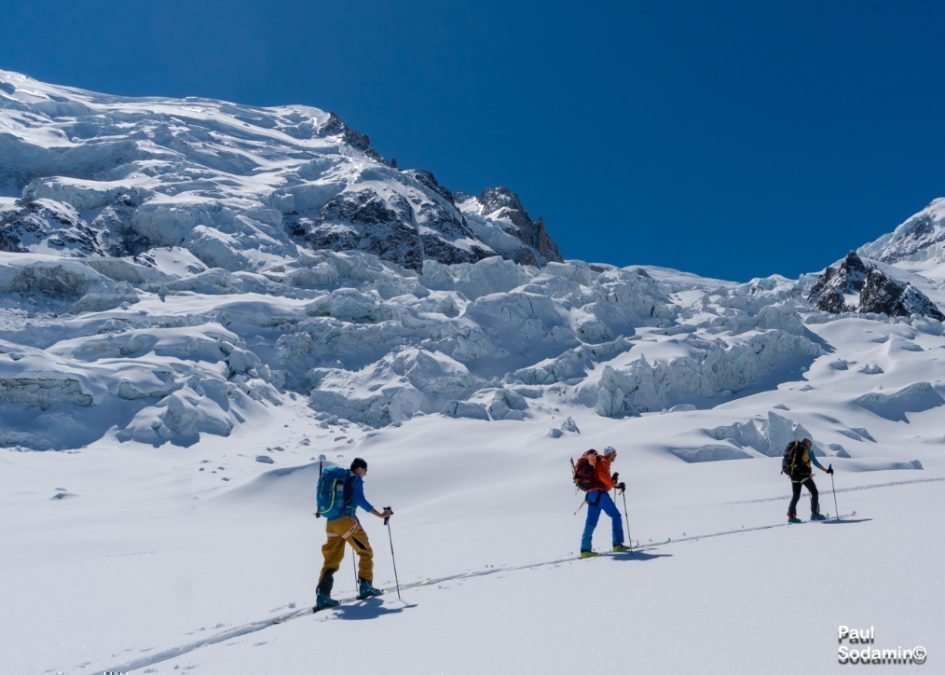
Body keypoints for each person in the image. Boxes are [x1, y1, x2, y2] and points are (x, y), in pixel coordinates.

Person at [315, 458, 393, 610]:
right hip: (346, 522)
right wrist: (380, 515)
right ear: (359, 469)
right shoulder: (354, 479)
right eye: (365, 471)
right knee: (365, 551)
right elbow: (360, 500)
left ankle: (323, 596)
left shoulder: (340, 480)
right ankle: (366, 586)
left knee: (331, 559)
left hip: (331, 523)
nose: (365, 474)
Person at [575, 448, 628, 557]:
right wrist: (616, 485)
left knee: (591, 522)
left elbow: (603, 482)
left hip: (591, 495)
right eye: (614, 454)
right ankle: (617, 544)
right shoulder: (604, 461)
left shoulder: (598, 462)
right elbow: (602, 477)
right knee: (616, 515)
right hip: (599, 493)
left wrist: (612, 481)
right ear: (610, 454)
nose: (615, 456)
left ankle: (585, 550)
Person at [783, 438, 833, 523]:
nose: (811, 446)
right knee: (814, 492)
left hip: (793, 475)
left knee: (796, 495)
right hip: (803, 475)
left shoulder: (794, 450)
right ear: (808, 444)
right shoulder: (808, 451)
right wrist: (827, 470)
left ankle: (791, 516)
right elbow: (815, 463)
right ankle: (815, 514)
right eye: (810, 444)